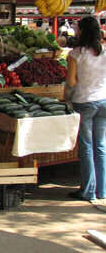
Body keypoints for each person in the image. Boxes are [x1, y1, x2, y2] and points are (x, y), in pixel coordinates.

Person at [65, 16, 106, 205]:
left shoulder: (75, 54)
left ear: (82, 31)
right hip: (103, 101)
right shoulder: (104, 51)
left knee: (86, 147)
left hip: (84, 102)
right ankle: (102, 190)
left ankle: (88, 191)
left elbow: (71, 82)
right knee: (101, 146)